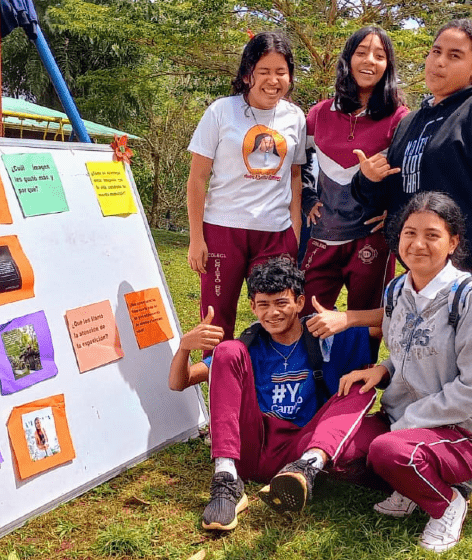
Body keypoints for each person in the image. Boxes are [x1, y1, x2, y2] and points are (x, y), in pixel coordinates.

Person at [331, 191, 472, 553]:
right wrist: (381, 369)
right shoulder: (397, 290)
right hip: (405, 424)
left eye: (432, 235)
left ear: (452, 242)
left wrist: (411, 419)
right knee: (343, 450)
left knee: (388, 451)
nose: (418, 244)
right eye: (410, 233)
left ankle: (447, 504)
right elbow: (405, 350)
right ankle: (411, 485)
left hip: (462, 431)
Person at [169, 258, 381, 531]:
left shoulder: (323, 333)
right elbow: (179, 382)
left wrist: (349, 319)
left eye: (282, 303)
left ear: (300, 302)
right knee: (227, 349)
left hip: (299, 449)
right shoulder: (250, 347)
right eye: (263, 305)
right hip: (251, 448)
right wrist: (184, 348)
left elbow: (399, 321)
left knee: (359, 384)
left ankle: (308, 467)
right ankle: (225, 479)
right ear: (253, 307)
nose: (273, 313)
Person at [352, 19, 472, 313]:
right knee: (423, 350)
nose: (439, 63)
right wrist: (367, 180)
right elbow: (393, 193)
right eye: (435, 52)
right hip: (422, 263)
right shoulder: (412, 122)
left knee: (469, 351)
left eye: (454, 56)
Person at [186, 32, 308, 351]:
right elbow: (197, 178)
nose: (273, 80)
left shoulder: (295, 117)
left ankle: (271, 395)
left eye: (281, 72)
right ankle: (218, 388)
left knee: (278, 318)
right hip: (223, 231)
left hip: (275, 234)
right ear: (246, 74)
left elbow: (295, 177)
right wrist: (197, 239)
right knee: (216, 321)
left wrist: (294, 231)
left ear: (290, 76)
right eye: (263, 71)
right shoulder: (221, 112)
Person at [301, 27, 409, 318]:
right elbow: (302, 164)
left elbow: (409, 176)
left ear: (388, 66)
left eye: (379, 55)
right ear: (348, 59)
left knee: (366, 321)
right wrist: (307, 198)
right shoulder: (319, 113)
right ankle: (311, 366)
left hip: (371, 237)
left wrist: (395, 213)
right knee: (306, 317)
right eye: (361, 53)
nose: (369, 61)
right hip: (323, 232)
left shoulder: (400, 118)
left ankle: (361, 367)